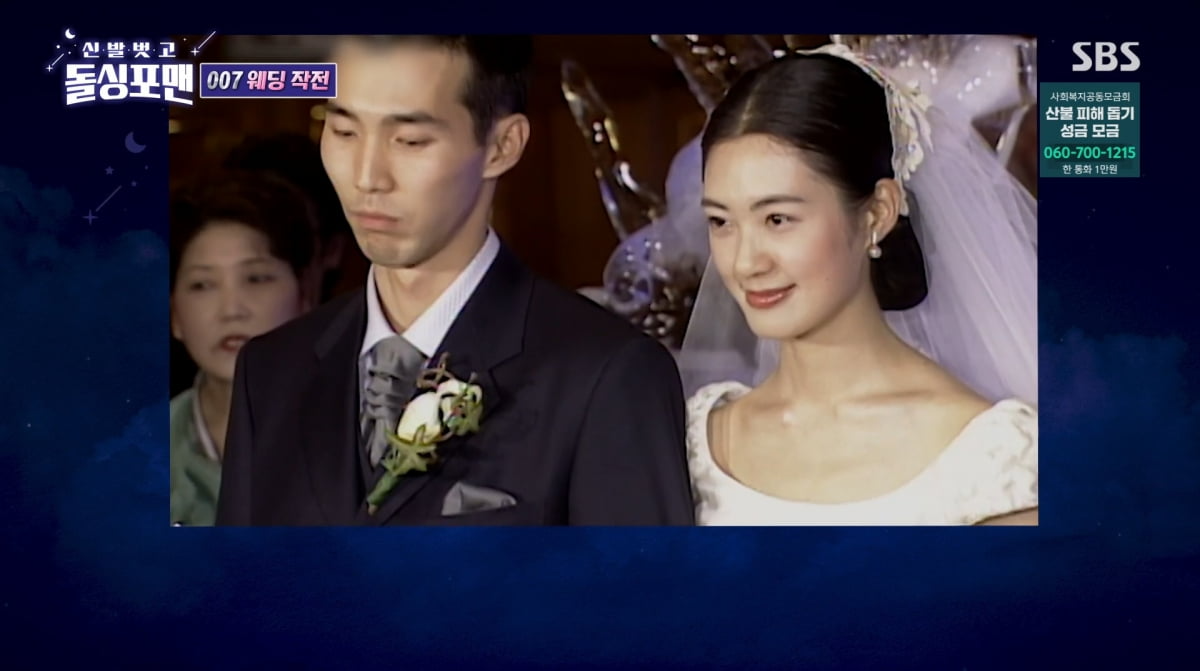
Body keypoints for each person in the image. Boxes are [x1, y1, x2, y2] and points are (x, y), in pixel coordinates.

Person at [215, 35, 695, 526]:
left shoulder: (606, 375)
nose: (367, 177)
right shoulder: (271, 371)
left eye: (410, 141)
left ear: (502, 146)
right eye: (343, 131)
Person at [679, 44, 1038, 526]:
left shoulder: (990, 455)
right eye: (721, 222)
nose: (745, 262)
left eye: (778, 219)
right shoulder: (697, 439)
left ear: (877, 213)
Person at [170, 170, 319, 526]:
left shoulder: (361, 433)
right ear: (175, 315)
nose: (231, 310)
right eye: (202, 285)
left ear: (305, 296)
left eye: (256, 278)